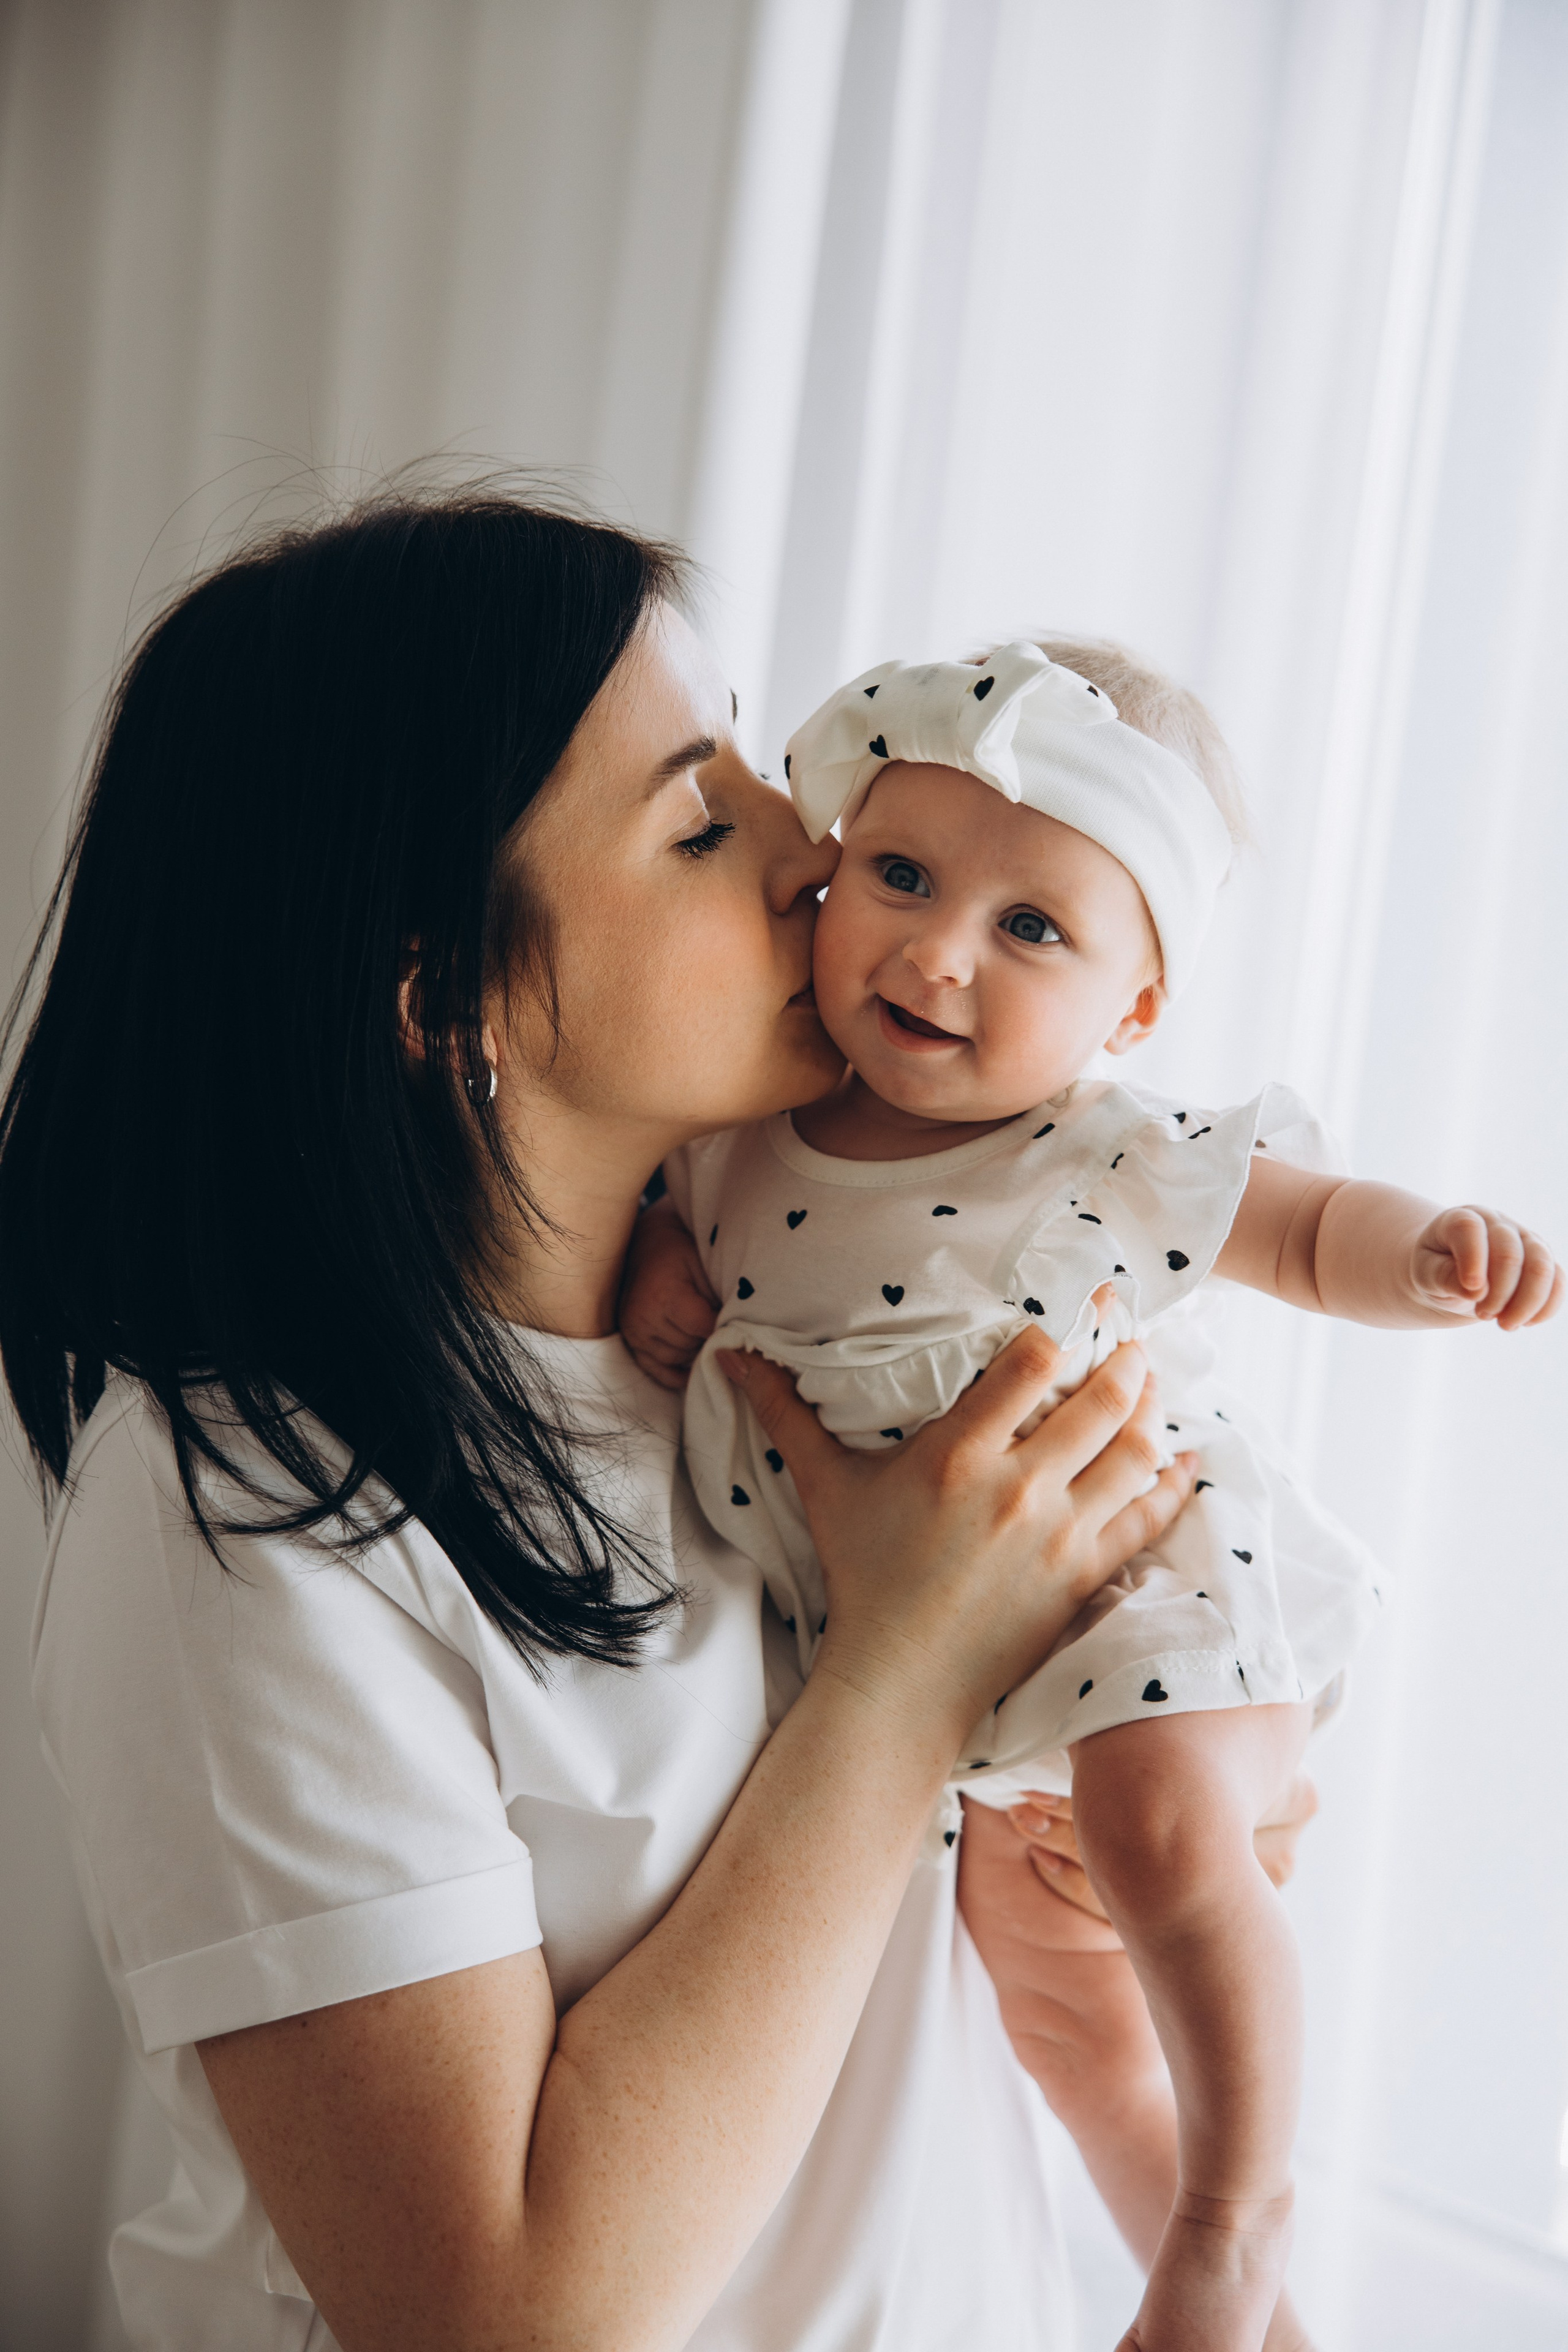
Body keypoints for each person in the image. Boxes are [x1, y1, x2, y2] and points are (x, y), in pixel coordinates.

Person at [1, 488, 1237, 2352]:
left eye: (747, 750)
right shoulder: (237, 1516)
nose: (809, 843)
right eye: (694, 818)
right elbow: (498, 2311)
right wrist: (904, 1679)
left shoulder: (810, 1311)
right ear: (446, 995)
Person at [618, 639, 1562, 2352]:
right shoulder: (741, 1124)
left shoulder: (1096, 1142)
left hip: (1140, 1591)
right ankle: (1246, 2319)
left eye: (1029, 928)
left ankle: (1230, 2222)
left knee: (1163, 1839)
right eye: (901, 876)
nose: (936, 951)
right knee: (1055, 2009)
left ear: (1129, 1015)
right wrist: (663, 1276)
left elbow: (1296, 1222)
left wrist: (1422, 1253)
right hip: (954, 1669)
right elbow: (670, 1233)